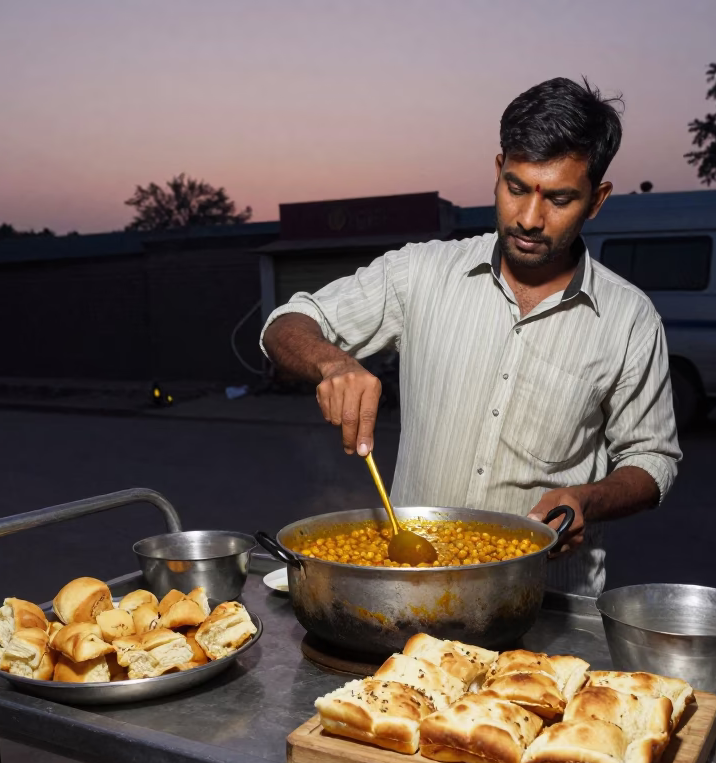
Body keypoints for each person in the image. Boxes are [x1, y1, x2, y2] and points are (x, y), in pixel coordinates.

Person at [261, 77, 681, 596]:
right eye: (517, 187)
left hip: (547, 601)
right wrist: (333, 364)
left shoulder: (630, 319)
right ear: (497, 170)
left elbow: (653, 459)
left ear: (596, 200)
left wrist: (588, 500)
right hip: (412, 588)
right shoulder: (420, 272)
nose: (529, 218)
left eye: (560, 198)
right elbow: (287, 322)